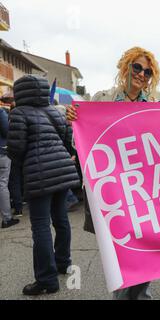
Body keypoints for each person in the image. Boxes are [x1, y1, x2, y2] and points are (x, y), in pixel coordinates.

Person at [67, 46, 160, 300]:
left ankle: (140, 295)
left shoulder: (159, 103)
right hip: (113, 190)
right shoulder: (101, 100)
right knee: (120, 252)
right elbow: (78, 144)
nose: (141, 74)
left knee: (147, 247)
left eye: (147, 71)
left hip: (146, 188)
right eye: (137, 67)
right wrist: (75, 122)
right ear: (125, 68)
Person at [8, 75, 80, 295]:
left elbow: (16, 148)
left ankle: (46, 279)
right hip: (62, 171)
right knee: (60, 219)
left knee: (40, 225)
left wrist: (21, 166)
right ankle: (63, 262)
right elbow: (69, 139)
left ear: (21, 93)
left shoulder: (19, 113)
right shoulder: (53, 111)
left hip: (39, 173)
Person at [1, 102, 19, 228]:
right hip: (1, 152)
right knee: (2, 184)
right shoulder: (0, 112)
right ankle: (7, 218)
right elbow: (7, 131)